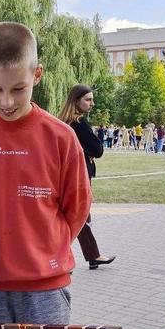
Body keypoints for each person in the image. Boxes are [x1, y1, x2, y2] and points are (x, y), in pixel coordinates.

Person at [0, 22, 91, 324]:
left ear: (36, 75)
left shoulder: (61, 137)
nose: (7, 102)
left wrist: (46, 247)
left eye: (18, 89)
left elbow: (77, 208)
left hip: (46, 289)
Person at [58, 84, 115, 270]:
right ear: (76, 101)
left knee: (77, 215)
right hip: (79, 175)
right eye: (88, 100)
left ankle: (92, 255)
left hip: (68, 174)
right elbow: (98, 149)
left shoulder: (62, 123)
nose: (92, 104)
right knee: (80, 215)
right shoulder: (78, 124)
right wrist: (89, 149)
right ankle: (79, 256)